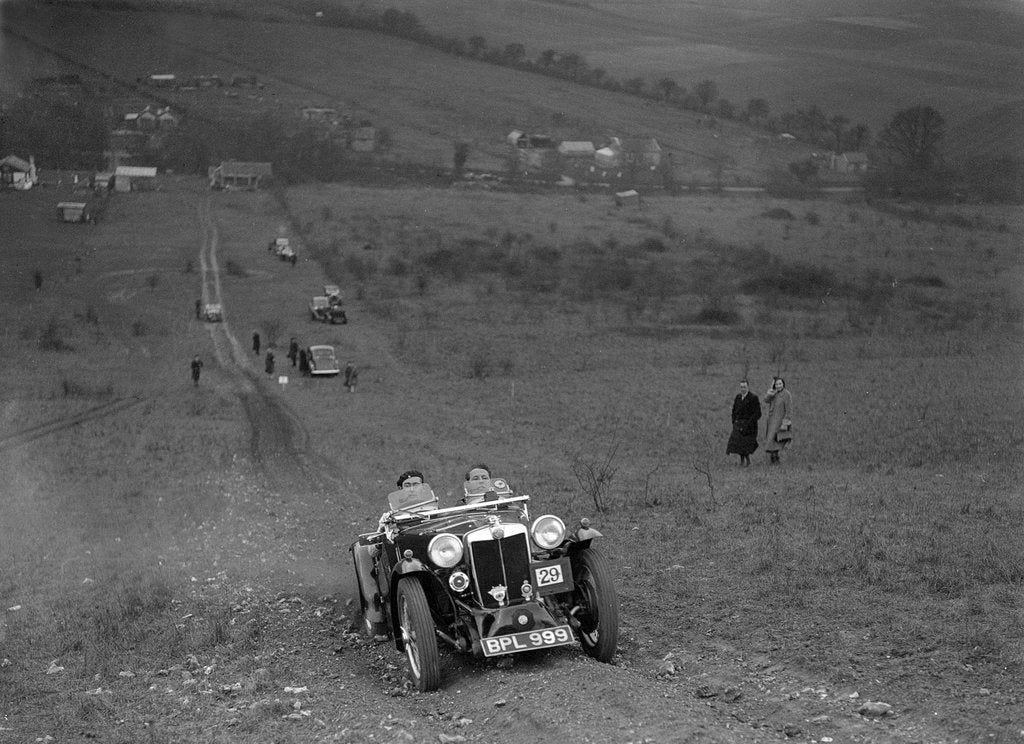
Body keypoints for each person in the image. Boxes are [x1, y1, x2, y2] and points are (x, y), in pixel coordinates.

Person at [726, 380, 761, 466]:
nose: (743, 389)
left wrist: (749, 424)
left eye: (744, 387)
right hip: (738, 424)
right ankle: (742, 461)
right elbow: (734, 410)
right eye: (741, 387)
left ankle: (748, 461)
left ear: (748, 387)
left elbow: (758, 413)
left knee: (745, 443)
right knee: (737, 443)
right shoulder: (738, 397)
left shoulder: (753, 398)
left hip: (750, 425)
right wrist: (734, 421)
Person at [763, 377, 793, 465]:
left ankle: (776, 458)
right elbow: (766, 400)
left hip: (780, 420)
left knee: (776, 439)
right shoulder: (773, 393)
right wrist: (771, 392)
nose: (778, 386)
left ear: (783, 384)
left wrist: (786, 422)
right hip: (771, 420)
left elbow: (789, 409)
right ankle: (773, 457)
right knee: (770, 439)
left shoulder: (787, 394)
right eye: (777, 384)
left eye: (780, 384)